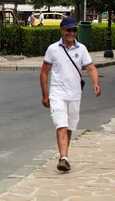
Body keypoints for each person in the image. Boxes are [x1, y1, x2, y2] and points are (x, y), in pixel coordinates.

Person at [40, 16, 101, 172]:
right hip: (57, 93)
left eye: (74, 30)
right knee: (61, 124)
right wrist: (45, 95)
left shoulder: (81, 49)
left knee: (69, 127)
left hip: (74, 93)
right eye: (68, 30)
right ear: (62, 31)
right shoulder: (53, 49)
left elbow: (91, 68)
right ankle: (63, 158)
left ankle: (64, 156)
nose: (71, 33)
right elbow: (44, 73)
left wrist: (96, 83)